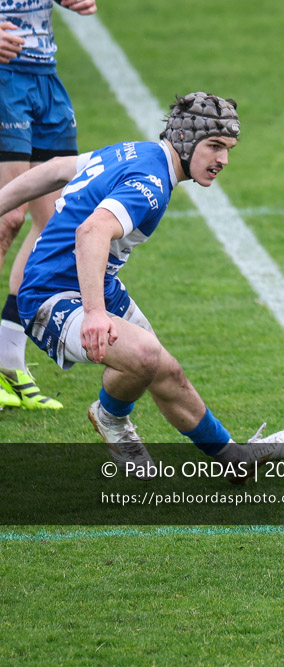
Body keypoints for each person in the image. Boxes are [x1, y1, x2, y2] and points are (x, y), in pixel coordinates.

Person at [0, 91, 284, 476]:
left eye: (228, 149)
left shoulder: (136, 151)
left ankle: (235, 462)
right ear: (186, 141)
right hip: (51, 295)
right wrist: (94, 314)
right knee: (144, 356)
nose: (223, 160)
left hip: (93, 281)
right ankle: (111, 420)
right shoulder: (152, 182)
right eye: (214, 147)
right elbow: (91, 232)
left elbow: (58, 167)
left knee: (165, 370)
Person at [0, 0, 98, 410]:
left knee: (55, 224)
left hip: (45, 76)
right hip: (4, 77)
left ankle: (7, 363)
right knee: (8, 218)